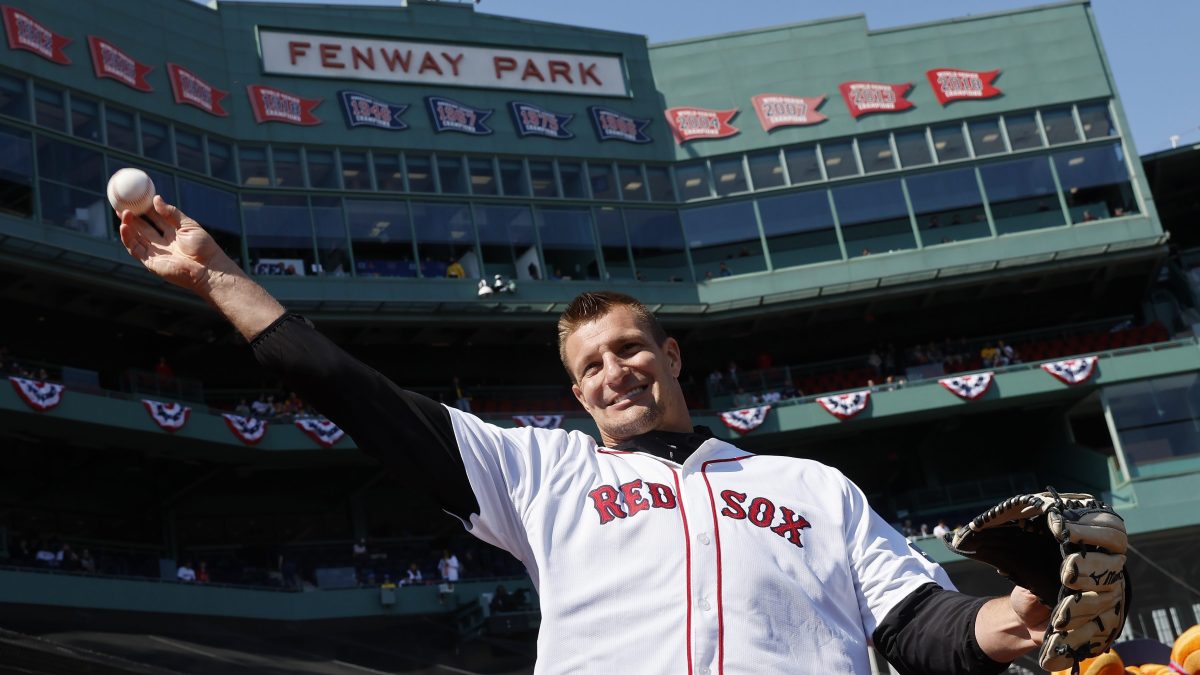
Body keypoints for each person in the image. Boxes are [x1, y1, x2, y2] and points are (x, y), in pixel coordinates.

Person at [114, 196, 1052, 673]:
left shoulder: (816, 488)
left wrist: (1023, 613)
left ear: (671, 354)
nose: (615, 371)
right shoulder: (539, 471)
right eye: (592, 364)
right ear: (577, 390)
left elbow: (923, 629)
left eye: (631, 347)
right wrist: (215, 276)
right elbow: (349, 389)